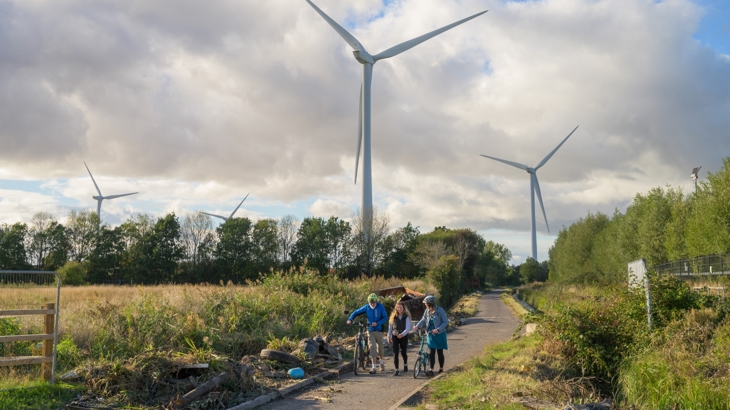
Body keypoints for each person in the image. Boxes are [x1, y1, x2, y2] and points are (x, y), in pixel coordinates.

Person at [347, 293, 388, 374]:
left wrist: (378, 323)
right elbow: (356, 312)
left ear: (376, 302)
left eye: (374, 302)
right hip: (370, 330)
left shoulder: (380, 306)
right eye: (370, 302)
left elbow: (385, 317)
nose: (372, 304)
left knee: (380, 348)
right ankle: (374, 367)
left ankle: (382, 362)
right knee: (372, 347)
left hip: (379, 330)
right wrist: (350, 319)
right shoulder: (367, 307)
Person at [414, 295, 448, 377]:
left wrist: (438, 329)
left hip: (439, 334)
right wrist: (417, 326)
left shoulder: (440, 310)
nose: (425, 304)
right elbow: (423, 320)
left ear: (429, 303)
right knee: (431, 352)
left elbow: (445, 322)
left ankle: (441, 368)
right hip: (430, 334)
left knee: (440, 352)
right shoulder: (427, 311)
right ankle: (431, 370)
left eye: (426, 303)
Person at [386, 300, 412, 376]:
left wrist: (402, 334)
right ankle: (396, 369)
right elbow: (390, 328)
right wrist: (388, 336)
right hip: (395, 335)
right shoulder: (393, 317)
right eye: (398, 307)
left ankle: (405, 364)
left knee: (403, 352)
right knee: (395, 352)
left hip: (403, 336)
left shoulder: (406, 317)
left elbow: (407, 328)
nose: (399, 309)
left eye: (400, 307)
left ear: (403, 308)